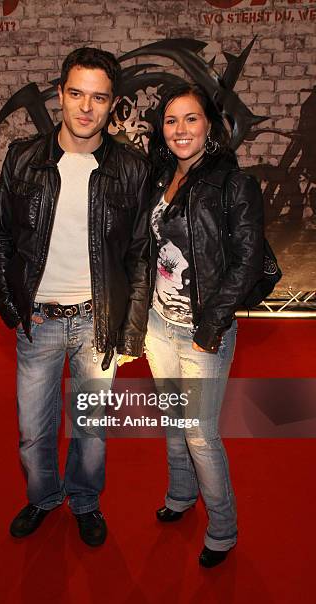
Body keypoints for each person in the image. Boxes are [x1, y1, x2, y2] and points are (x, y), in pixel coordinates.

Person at [0, 47, 150, 546]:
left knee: (91, 431)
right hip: (38, 320)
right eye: (76, 93)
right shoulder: (23, 157)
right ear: (60, 95)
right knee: (33, 433)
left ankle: (83, 500)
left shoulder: (131, 168)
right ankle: (43, 498)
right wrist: (11, 308)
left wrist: (129, 329)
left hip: (97, 322)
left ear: (113, 105)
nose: (85, 107)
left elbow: (140, 253)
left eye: (98, 98)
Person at [145, 83, 264, 567]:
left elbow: (247, 262)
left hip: (202, 332)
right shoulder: (161, 177)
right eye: (171, 121)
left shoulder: (234, 184)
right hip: (158, 324)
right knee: (173, 422)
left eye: (190, 119)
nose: (180, 130)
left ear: (210, 125)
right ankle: (179, 495)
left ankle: (224, 527)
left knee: (199, 432)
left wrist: (211, 325)